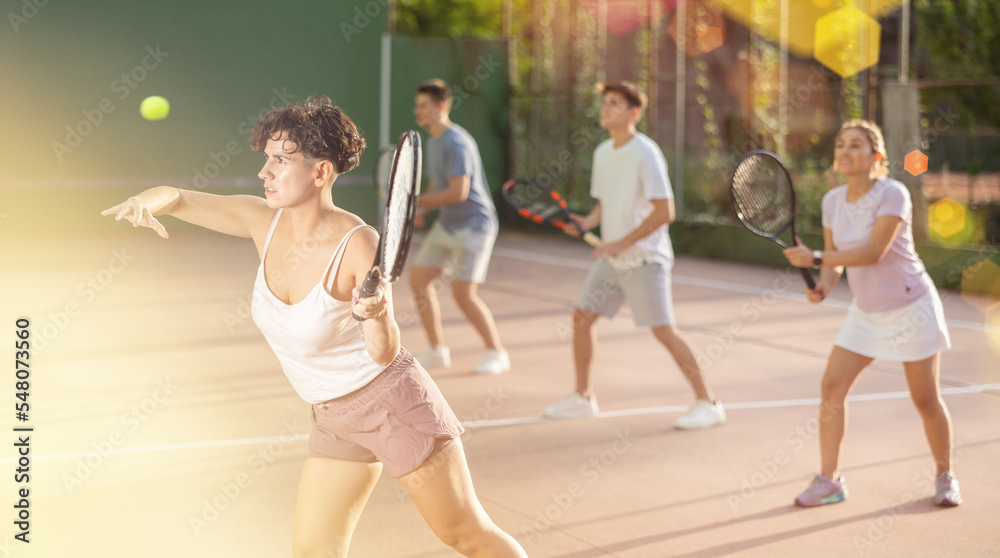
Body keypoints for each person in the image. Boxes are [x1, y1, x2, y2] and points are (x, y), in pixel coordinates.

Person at [102, 96, 528, 557]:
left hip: (392, 404)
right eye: (266, 159)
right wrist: (146, 201)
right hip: (331, 416)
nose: (265, 172)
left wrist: (378, 313)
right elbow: (180, 197)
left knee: (466, 536)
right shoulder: (261, 222)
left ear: (321, 171)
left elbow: (385, 353)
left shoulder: (358, 242)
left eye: (280, 161)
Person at [782, 119, 961, 508]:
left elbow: (872, 252)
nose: (845, 151)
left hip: (911, 307)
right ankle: (830, 480)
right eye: (841, 144)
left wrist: (813, 256)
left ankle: (945, 475)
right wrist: (824, 285)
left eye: (856, 146)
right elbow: (836, 263)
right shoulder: (832, 201)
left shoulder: (892, 194)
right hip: (866, 312)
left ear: (876, 157)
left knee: (925, 399)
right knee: (832, 387)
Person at [543, 81, 726, 431]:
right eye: (604, 103)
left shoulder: (646, 153)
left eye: (614, 103)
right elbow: (605, 203)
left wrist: (620, 242)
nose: (606, 109)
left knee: (663, 331)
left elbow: (665, 211)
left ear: (634, 113)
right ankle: (583, 397)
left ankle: (709, 402)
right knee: (582, 318)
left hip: (645, 259)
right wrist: (587, 222)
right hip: (615, 258)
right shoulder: (603, 152)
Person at [409, 79, 510, 374]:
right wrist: (423, 208)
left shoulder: (457, 141)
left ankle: (497, 352)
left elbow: (458, 192)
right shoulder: (433, 139)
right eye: (417, 105)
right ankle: (437, 350)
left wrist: (415, 199)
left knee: (463, 293)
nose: (417, 110)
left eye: (423, 106)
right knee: (419, 281)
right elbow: (436, 184)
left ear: (441, 107)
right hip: (448, 225)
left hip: (474, 226)